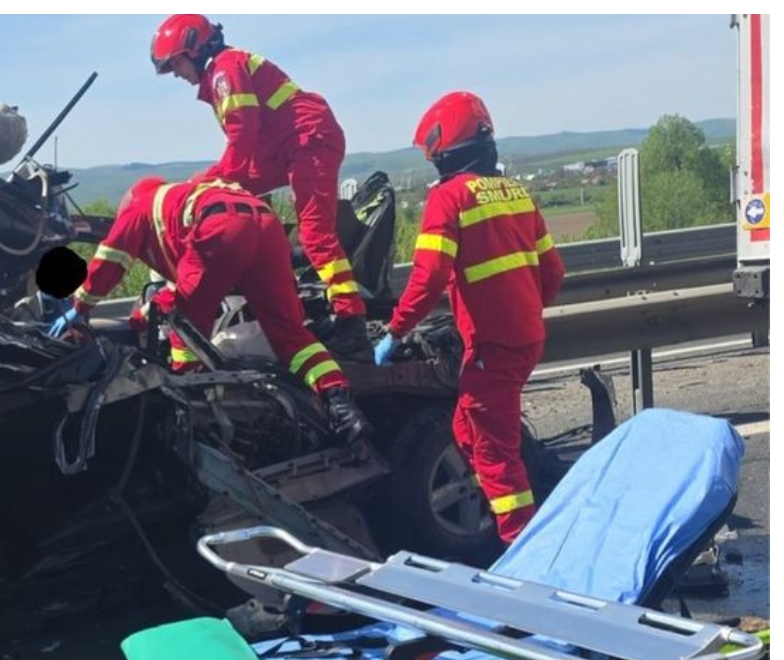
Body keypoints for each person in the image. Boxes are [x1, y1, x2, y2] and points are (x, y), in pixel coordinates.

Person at [47, 176, 372, 447]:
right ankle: (342, 406)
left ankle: (191, 421)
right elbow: (190, 287)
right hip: (266, 225)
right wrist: (138, 319)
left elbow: (110, 261)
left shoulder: (138, 204)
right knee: (290, 334)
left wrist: (79, 308)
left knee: (186, 330)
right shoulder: (184, 199)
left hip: (219, 227)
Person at [374, 91, 566, 544]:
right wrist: (519, 308)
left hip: (492, 346)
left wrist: (394, 332)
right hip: (525, 337)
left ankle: (523, 548)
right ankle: (501, 508)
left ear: (446, 150)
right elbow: (553, 273)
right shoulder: (517, 195)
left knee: (495, 453)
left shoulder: (448, 199)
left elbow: (427, 279)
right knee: (466, 425)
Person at [149, 14, 372, 359]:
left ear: (193, 50)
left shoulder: (226, 69)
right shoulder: (224, 69)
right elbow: (247, 145)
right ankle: (278, 293)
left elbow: (242, 135)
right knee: (222, 201)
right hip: (286, 147)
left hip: (308, 141)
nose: (176, 74)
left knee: (315, 234)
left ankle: (351, 322)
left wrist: (216, 181)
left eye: (175, 64)